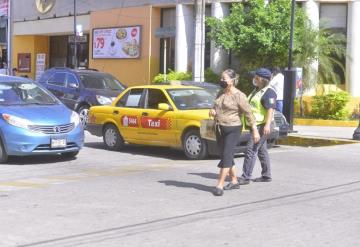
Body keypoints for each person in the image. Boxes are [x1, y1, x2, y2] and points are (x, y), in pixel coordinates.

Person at [209, 69, 260, 196]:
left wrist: (255, 131)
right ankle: (234, 180)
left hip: (233, 128)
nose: (222, 81)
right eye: (221, 78)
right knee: (226, 155)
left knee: (227, 155)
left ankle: (219, 185)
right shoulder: (220, 93)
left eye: (224, 79)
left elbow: (249, 114)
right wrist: (212, 111)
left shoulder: (239, 95)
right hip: (219, 127)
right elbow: (214, 107)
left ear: (232, 81)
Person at [239, 68, 277, 184]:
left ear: (262, 79)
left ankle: (246, 177)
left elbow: (270, 109)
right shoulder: (257, 90)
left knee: (251, 149)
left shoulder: (269, 92)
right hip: (256, 124)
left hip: (262, 125)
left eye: (256, 77)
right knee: (261, 150)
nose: (254, 79)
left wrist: (267, 125)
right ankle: (266, 175)